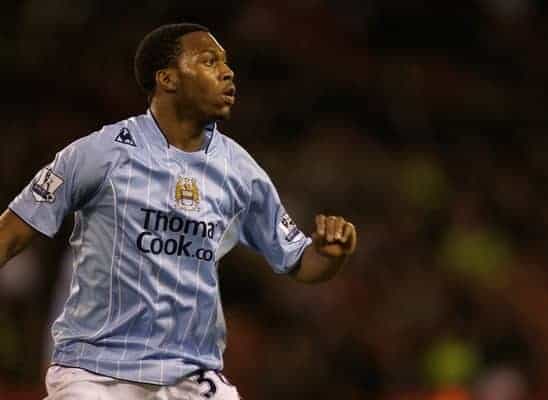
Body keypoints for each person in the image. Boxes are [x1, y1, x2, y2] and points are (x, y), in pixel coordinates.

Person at [0, 23, 357, 399]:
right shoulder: (99, 154)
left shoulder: (239, 170)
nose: (227, 71)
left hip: (188, 373)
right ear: (168, 79)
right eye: (208, 61)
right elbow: (10, 234)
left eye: (225, 62)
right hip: (96, 372)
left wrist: (330, 254)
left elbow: (301, 262)